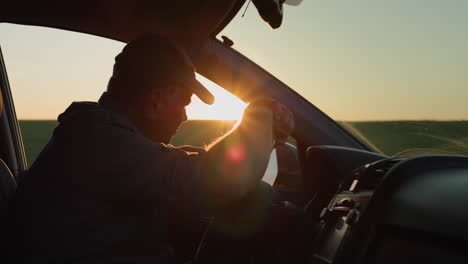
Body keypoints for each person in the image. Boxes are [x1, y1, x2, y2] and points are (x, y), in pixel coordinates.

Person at [9, 33, 294, 263]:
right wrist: (260, 113)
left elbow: (191, 163)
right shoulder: (100, 143)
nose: (184, 115)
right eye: (183, 102)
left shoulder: (100, 137)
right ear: (156, 101)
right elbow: (220, 180)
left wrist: (260, 137)